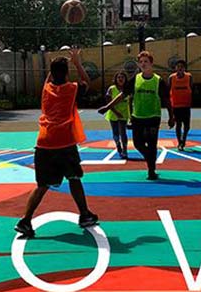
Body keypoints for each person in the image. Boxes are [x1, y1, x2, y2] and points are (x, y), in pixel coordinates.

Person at [15, 47, 98, 238]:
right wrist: (77, 61)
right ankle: (84, 215)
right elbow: (88, 81)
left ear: (51, 74)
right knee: (74, 178)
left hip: (44, 142)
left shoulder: (46, 90)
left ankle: (25, 220)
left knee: (42, 185)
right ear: (67, 73)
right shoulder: (71, 89)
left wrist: (52, 63)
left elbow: (50, 77)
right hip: (64, 143)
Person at [101, 51, 173, 180]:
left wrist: (172, 116)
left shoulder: (158, 81)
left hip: (153, 117)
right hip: (137, 117)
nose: (143, 64)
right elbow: (123, 94)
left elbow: (167, 100)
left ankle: (151, 170)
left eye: (146, 61)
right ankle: (150, 158)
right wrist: (108, 107)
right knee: (138, 144)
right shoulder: (135, 79)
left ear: (151, 63)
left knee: (152, 144)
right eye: (141, 62)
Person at [102, 71, 130, 159]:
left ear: (125, 79)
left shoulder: (128, 89)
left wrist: (132, 114)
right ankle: (118, 145)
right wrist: (116, 112)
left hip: (124, 113)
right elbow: (108, 102)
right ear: (116, 79)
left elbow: (131, 102)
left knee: (123, 132)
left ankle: (125, 150)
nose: (120, 79)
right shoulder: (111, 89)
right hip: (113, 113)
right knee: (116, 133)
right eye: (119, 77)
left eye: (122, 77)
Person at [169, 59, 193, 150]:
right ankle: (180, 142)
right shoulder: (171, 78)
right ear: (175, 68)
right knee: (178, 125)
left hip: (186, 105)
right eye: (178, 67)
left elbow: (191, 88)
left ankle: (184, 139)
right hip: (176, 105)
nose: (180, 68)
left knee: (187, 126)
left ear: (184, 68)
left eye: (182, 67)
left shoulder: (189, 77)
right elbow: (169, 90)